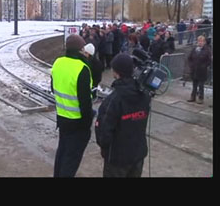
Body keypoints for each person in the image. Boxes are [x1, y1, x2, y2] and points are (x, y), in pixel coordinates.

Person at [94, 53, 151, 177]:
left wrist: (104, 149)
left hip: (117, 158)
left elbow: (103, 131)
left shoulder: (113, 100)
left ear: (116, 72)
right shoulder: (144, 95)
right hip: (138, 154)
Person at [51, 34, 94, 177]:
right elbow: (85, 102)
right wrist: (87, 124)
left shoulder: (58, 62)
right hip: (78, 122)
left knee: (62, 152)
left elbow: (53, 88)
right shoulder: (82, 68)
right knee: (71, 159)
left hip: (62, 118)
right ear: (80, 49)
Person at [187, 36, 212, 104]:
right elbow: (189, 58)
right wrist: (191, 65)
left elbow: (209, 60)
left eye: (201, 41)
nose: (200, 42)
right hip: (194, 69)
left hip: (202, 70)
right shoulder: (194, 49)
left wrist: (204, 66)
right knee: (194, 84)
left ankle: (201, 98)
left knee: (201, 85)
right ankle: (193, 96)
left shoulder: (207, 50)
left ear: (204, 42)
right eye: (199, 41)